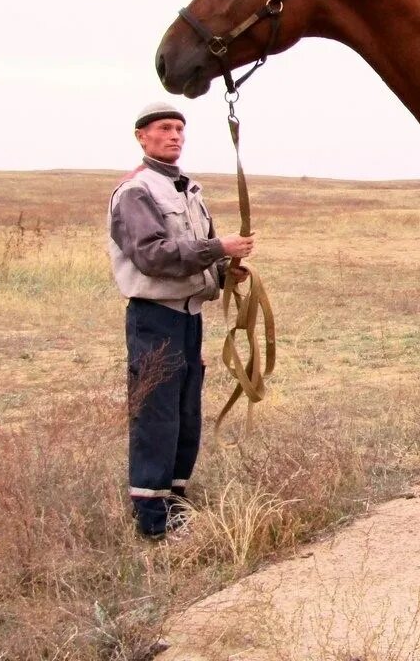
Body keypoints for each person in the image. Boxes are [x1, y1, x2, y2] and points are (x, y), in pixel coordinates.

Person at [107, 102, 254, 539]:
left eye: (179, 129)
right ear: (141, 136)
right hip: (155, 319)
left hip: (190, 318)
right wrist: (218, 249)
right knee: (156, 417)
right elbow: (152, 256)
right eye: (164, 128)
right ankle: (152, 523)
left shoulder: (187, 190)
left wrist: (226, 271)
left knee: (185, 415)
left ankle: (175, 507)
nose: (174, 136)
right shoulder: (136, 192)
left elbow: (197, 251)